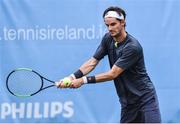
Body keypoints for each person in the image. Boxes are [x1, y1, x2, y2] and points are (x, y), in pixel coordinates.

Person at [56, 6, 161, 123]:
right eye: (107, 25)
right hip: (127, 103)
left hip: (145, 100)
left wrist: (82, 80)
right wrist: (71, 77)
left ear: (123, 23)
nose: (110, 28)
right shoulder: (108, 39)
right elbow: (92, 62)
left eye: (113, 24)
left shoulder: (132, 47)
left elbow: (113, 74)